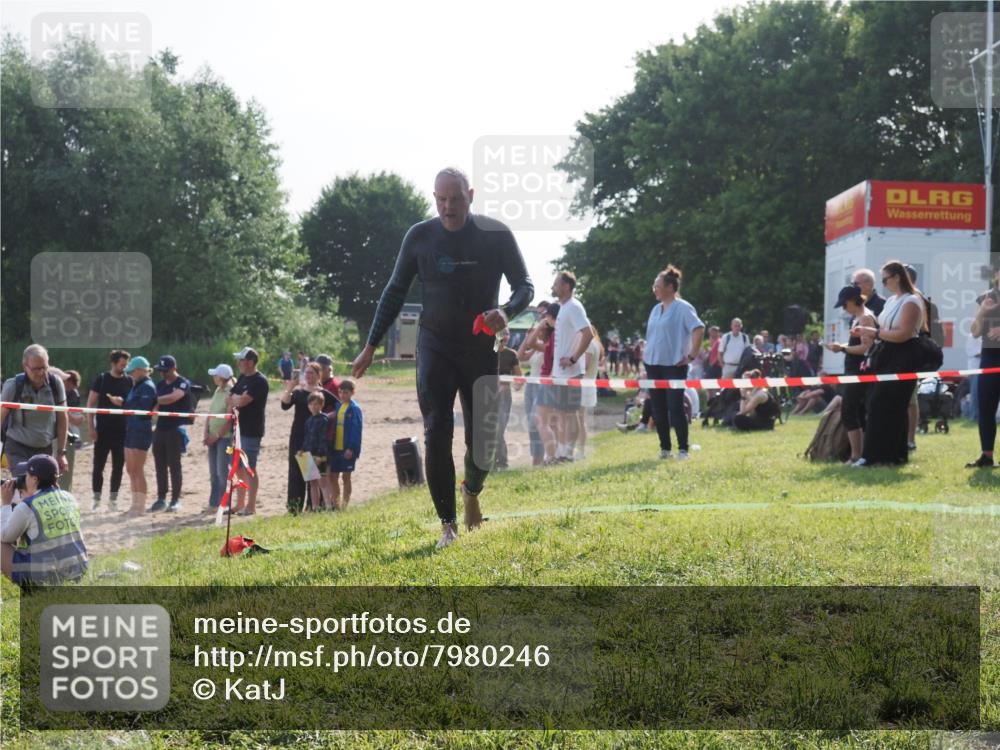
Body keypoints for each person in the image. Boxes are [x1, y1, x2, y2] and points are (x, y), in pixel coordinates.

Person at [350, 167, 533, 549]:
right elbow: (394, 291)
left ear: (471, 194)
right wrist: (370, 344)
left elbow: (525, 286)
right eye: (440, 199)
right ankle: (447, 524)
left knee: (483, 441)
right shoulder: (420, 237)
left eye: (455, 199)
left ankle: (472, 491)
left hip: (480, 349)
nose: (448, 207)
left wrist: (507, 311)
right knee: (436, 430)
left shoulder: (495, 234)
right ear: (435, 197)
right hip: (434, 345)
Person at [851, 260, 926, 467]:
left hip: (904, 356)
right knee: (879, 404)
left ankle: (875, 455)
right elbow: (884, 328)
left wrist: (873, 332)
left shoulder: (911, 300)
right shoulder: (893, 300)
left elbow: (903, 334)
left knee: (887, 404)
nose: (883, 284)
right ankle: (890, 455)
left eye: (885, 279)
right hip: (886, 354)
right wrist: (866, 329)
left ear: (897, 277)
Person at [642, 264, 705, 460]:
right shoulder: (655, 309)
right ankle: (665, 449)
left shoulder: (683, 308)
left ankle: (683, 449)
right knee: (658, 408)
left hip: (674, 366)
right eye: (654, 285)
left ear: (670, 287)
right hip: (653, 365)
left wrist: (691, 355)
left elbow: (698, 329)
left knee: (675, 407)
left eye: (657, 285)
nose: (654, 289)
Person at [1, 454, 88, 588]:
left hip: (44, 580)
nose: (24, 478)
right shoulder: (70, 498)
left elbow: (5, 536)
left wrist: (6, 504)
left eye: (27, 475)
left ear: (35, 479)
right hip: (78, 571)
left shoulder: (28, 506)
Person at [825, 284, 875, 463]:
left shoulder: (865, 318)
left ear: (854, 300)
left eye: (845, 305)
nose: (845, 309)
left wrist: (843, 349)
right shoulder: (858, 318)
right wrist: (842, 347)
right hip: (853, 370)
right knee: (855, 412)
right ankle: (857, 454)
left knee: (849, 411)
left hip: (859, 371)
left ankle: (856, 456)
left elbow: (866, 348)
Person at [1, 344, 69, 474]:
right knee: (26, 482)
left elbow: (62, 418)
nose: (41, 373)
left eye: (44, 368)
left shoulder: (56, 384)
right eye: (35, 369)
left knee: (45, 488)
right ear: (25, 366)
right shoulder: (12, 386)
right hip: (17, 446)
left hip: (45, 447)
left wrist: (61, 453)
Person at [280, 362, 339, 512]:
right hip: (299, 437)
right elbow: (284, 405)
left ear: (318, 375)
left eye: (311, 373)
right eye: (306, 373)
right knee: (297, 472)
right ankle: (295, 507)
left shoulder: (322, 394)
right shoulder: (299, 393)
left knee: (316, 475)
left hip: (317, 440)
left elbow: (339, 406)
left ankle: (315, 507)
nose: (308, 375)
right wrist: (290, 388)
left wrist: (327, 417)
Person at [551, 271, 594, 462]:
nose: (553, 287)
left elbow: (588, 333)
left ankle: (568, 452)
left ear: (566, 286)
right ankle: (562, 451)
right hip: (559, 373)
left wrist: (574, 359)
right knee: (561, 413)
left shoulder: (574, 306)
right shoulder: (563, 307)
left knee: (571, 413)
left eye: (556, 284)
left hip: (571, 372)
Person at [87, 350, 131, 512]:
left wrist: (123, 402)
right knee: (98, 466)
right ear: (113, 363)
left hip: (122, 431)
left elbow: (133, 404)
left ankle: (113, 499)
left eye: (126, 365)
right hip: (103, 430)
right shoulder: (102, 379)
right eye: (122, 364)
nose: (124, 367)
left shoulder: (129, 380)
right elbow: (90, 404)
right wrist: (91, 427)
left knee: (118, 466)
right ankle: (96, 500)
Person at [228, 347, 270, 516]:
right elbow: (230, 398)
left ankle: (251, 506)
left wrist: (237, 399)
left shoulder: (259, 381)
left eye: (242, 360)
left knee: (249, 467)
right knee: (237, 467)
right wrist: (237, 399)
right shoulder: (243, 378)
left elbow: (243, 401)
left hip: (251, 430)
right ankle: (239, 504)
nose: (239, 363)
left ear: (251, 362)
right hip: (238, 428)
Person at [967, 266, 1000, 468]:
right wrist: (982, 312)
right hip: (989, 360)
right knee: (985, 409)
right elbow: (975, 332)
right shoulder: (986, 297)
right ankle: (986, 456)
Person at [149, 355, 192, 513]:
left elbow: (174, 398)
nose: (162, 374)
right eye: (160, 371)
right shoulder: (160, 384)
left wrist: (156, 400)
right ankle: (161, 498)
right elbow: (155, 406)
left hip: (176, 428)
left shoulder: (182, 382)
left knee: (174, 465)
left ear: (173, 368)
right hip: (161, 427)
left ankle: (175, 499)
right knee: (159, 465)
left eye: (165, 371)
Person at [118, 356, 158, 517]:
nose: (131, 375)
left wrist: (122, 404)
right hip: (131, 429)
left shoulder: (147, 386)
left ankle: (140, 507)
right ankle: (134, 504)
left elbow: (144, 408)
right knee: (131, 470)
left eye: (133, 371)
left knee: (137, 470)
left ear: (141, 370)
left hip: (141, 429)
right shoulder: (137, 386)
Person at [517, 302, 553, 466]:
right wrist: (527, 337)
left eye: (542, 315)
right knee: (532, 427)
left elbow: (534, 346)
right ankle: (536, 459)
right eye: (539, 315)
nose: (540, 318)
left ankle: (547, 456)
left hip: (542, 386)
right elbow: (520, 356)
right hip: (531, 386)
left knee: (537, 422)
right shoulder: (537, 342)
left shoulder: (549, 343)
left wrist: (536, 332)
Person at [204, 364, 235, 511]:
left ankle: (224, 503)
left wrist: (216, 436)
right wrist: (206, 432)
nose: (213, 377)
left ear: (221, 377)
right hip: (213, 437)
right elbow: (211, 412)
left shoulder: (230, 392)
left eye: (216, 375)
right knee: (213, 472)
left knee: (222, 471)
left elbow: (229, 419)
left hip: (225, 438)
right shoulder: (217, 390)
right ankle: (214, 502)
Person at [327, 379, 363, 509]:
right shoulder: (338, 405)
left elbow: (356, 430)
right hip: (335, 448)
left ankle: (345, 505)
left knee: (346, 477)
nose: (342, 395)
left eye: (345, 392)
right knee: (333, 476)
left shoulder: (355, 408)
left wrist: (352, 449)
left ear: (352, 392)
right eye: (340, 392)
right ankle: (336, 505)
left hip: (347, 449)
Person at [300, 392, 332, 511]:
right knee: (312, 483)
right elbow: (307, 438)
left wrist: (320, 456)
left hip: (320, 456)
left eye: (317, 404)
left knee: (322, 482)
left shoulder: (324, 419)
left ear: (322, 405)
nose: (314, 406)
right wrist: (302, 450)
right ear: (308, 405)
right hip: (308, 455)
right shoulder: (309, 421)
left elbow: (324, 439)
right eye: (312, 404)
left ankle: (328, 506)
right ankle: (315, 507)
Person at [495, 328, 522, 469]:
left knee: (499, 429)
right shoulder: (488, 352)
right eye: (502, 333)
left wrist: (511, 384)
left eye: (507, 333)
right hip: (486, 395)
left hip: (504, 397)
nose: (505, 336)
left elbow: (519, 377)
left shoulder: (511, 354)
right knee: (489, 429)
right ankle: (493, 462)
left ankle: (502, 462)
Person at [576, 323, 604, 460]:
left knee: (579, 420)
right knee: (580, 420)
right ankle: (579, 450)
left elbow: (584, 367)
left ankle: (580, 451)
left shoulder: (589, 344)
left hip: (584, 386)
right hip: (588, 385)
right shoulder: (595, 344)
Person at [60, 370, 84, 493]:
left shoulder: (72, 394)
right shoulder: (67, 392)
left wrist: (63, 413)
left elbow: (75, 418)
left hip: (69, 433)